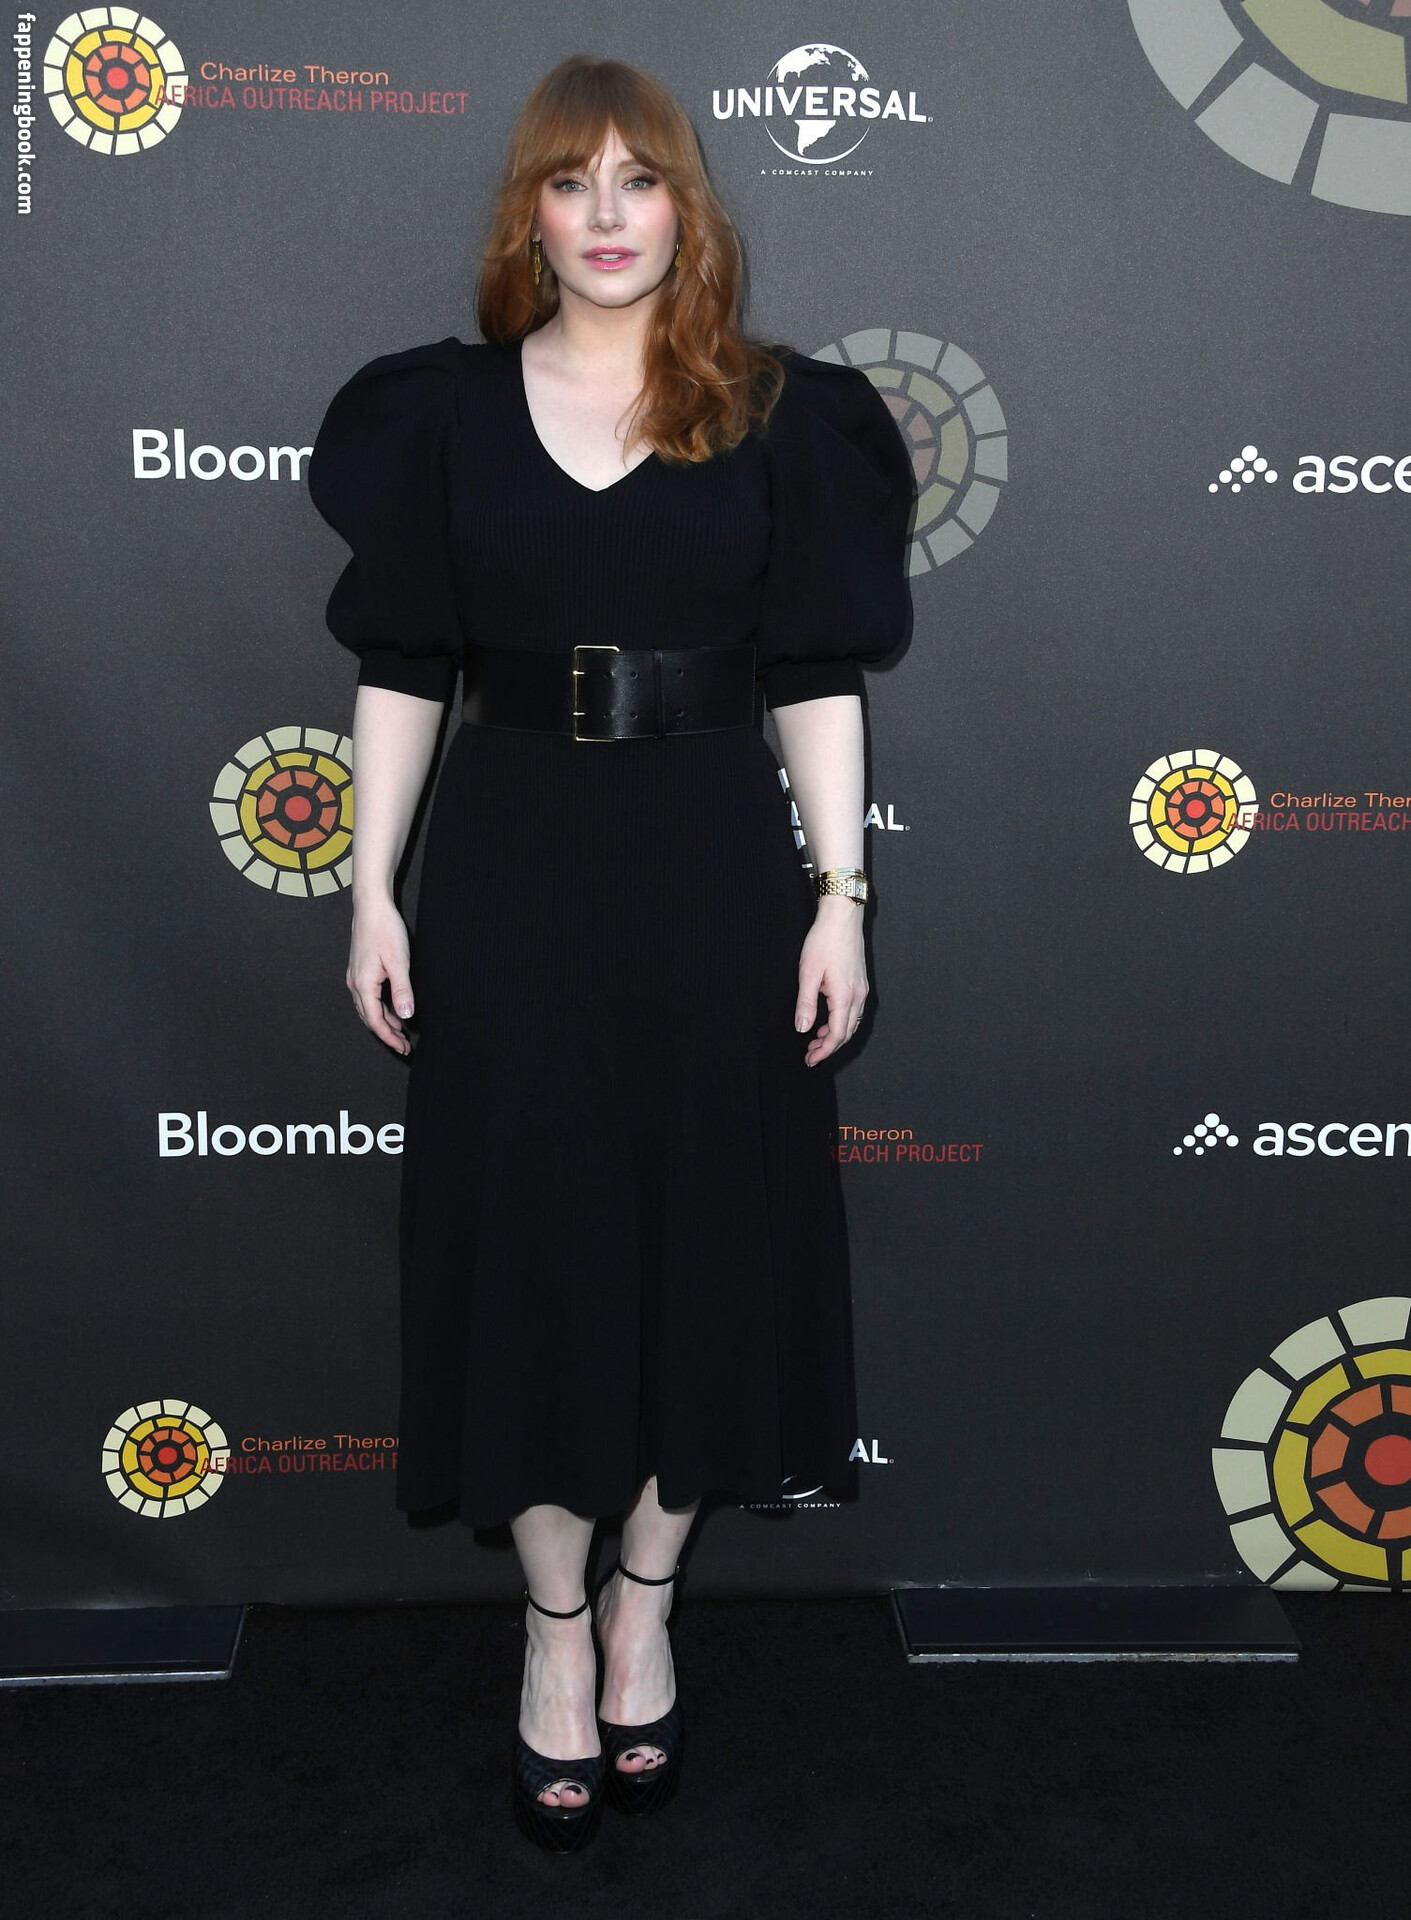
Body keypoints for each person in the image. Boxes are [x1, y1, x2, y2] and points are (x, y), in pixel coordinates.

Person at [307, 54, 914, 1852]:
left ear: (687, 210)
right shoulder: (437, 416)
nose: (605, 214)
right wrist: (371, 889)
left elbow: (814, 674)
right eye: (569, 182)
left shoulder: (780, 415)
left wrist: (839, 897)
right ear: (529, 214)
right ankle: (554, 1627)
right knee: (536, 1254)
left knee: (702, 1248)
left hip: (714, 877)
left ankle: (648, 1602)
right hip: (511, 875)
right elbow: (404, 665)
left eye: (639, 180)